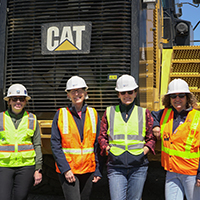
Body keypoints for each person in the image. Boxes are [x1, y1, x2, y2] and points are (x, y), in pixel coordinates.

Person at [98, 74, 156, 200]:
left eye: (130, 92)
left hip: (138, 167)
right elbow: (102, 137)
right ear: (118, 94)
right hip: (116, 167)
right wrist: (108, 150)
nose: (126, 95)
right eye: (123, 92)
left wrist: (143, 152)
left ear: (135, 93)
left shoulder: (143, 112)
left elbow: (151, 138)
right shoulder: (109, 112)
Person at [51, 75, 102, 200]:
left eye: (79, 90)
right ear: (68, 95)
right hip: (69, 170)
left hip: (88, 169)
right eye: (73, 91)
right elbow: (55, 144)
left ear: (85, 92)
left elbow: (98, 144)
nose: (76, 94)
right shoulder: (61, 114)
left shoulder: (93, 114)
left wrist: (98, 169)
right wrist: (65, 169)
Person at [151, 78, 200, 200]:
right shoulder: (165, 113)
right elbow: (151, 116)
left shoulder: (197, 118)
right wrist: (155, 125)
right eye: (173, 96)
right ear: (169, 99)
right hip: (171, 172)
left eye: (181, 95)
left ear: (187, 97)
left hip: (191, 173)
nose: (177, 99)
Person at [0, 83, 43, 200]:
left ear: (25, 102)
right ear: (9, 101)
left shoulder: (32, 119)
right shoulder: (0, 118)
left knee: (21, 197)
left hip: (26, 166)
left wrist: (38, 169)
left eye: (21, 99)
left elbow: (37, 145)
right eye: (14, 99)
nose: (18, 102)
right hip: (4, 166)